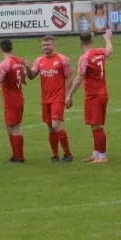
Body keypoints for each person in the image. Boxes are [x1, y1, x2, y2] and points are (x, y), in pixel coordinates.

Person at [23, 35, 74, 163]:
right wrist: (27, 67)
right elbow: (31, 76)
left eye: (48, 45)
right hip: (45, 99)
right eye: (44, 45)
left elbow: (69, 78)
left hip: (58, 97)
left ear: (53, 45)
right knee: (50, 127)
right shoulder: (39, 60)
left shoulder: (63, 60)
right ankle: (55, 155)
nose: (45, 47)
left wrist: (69, 95)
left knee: (56, 125)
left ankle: (68, 154)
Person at [65, 30, 113, 163]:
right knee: (93, 124)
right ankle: (96, 153)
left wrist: (69, 95)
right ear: (92, 41)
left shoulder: (85, 57)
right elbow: (109, 50)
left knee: (96, 125)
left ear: (80, 43)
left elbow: (79, 78)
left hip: (94, 95)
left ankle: (102, 157)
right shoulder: (100, 52)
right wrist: (107, 38)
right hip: (102, 92)